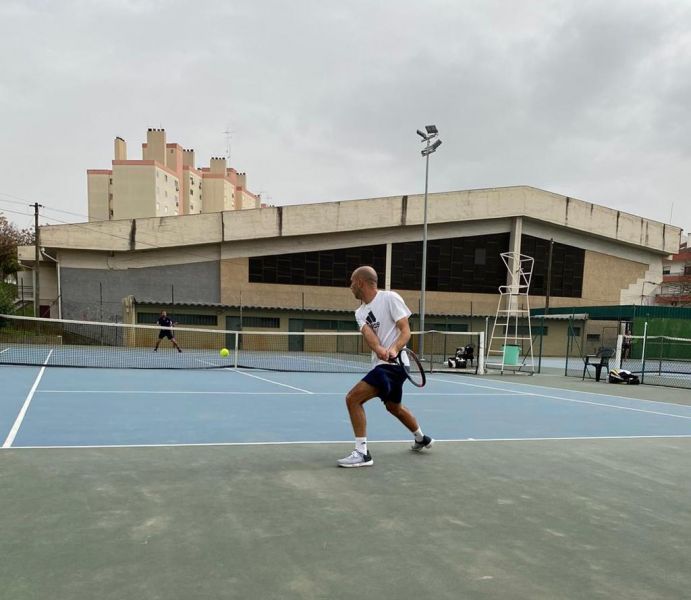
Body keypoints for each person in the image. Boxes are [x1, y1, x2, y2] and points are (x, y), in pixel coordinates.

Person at [337, 266, 433, 468]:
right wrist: (381, 349)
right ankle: (421, 438)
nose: (350, 287)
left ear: (360, 282)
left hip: (394, 367)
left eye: (352, 282)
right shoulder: (360, 312)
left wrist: (394, 348)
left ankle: (362, 453)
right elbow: (369, 335)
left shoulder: (390, 298)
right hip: (384, 365)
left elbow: (405, 330)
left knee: (352, 398)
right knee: (393, 407)